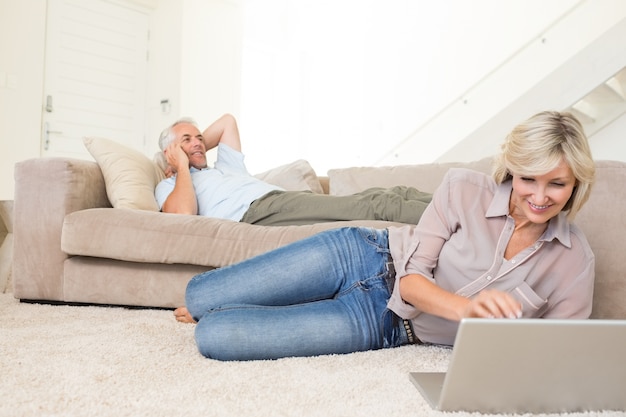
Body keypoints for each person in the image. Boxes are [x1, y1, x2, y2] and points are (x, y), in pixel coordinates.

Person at [178, 110, 596, 361]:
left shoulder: (574, 262)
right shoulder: (464, 189)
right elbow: (413, 283)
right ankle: (214, 302)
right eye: (528, 179)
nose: (539, 197)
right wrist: (469, 310)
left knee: (216, 336)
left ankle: (223, 311)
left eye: (556, 184)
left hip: (387, 325)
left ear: (576, 183)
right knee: (200, 298)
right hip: (366, 256)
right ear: (511, 169)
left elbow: (555, 355)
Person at [155, 114, 433, 226]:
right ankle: (462, 218)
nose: (199, 143)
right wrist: (180, 165)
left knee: (393, 193)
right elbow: (183, 214)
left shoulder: (224, 167)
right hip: (258, 213)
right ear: (170, 153)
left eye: (200, 138)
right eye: (187, 140)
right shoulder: (169, 186)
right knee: (376, 205)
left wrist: (193, 147)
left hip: (279, 200)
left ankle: (460, 205)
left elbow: (227, 121)